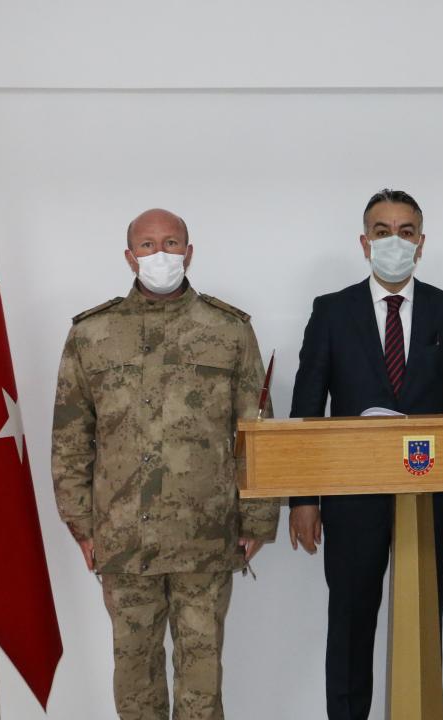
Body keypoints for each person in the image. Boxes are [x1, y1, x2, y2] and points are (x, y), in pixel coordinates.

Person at [51, 208, 278, 720]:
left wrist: (258, 518)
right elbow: (70, 436)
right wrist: (82, 524)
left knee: (202, 683)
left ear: (189, 253)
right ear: (130, 256)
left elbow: (257, 431)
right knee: (135, 681)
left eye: (172, 243)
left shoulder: (228, 330)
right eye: (148, 245)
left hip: (206, 536)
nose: (161, 254)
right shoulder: (93, 333)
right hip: (124, 536)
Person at [287, 188, 443, 720]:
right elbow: (307, 410)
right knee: (351, 624)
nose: (393, 241)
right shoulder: (331, 311)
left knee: (423, 620)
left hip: (431, 493)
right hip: (352, 494)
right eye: (382, 231)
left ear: (420, 242)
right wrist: (303, 498)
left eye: (405, 231)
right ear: (364, 242)